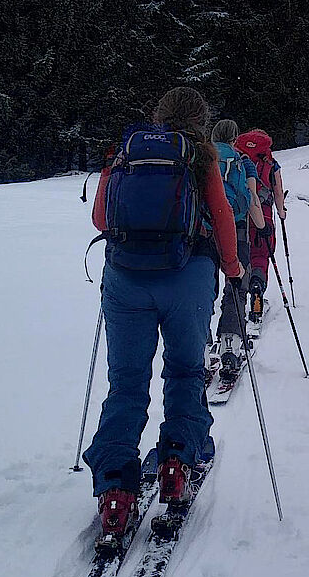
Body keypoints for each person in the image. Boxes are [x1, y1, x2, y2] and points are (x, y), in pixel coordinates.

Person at [84, 87, 243, 540]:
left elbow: (100, 219)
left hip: (125, 279)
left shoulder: (127, 151)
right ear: (201, 117)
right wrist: (231, 269)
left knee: (127, 382)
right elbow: (223, 216)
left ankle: (116, 489)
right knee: (186, 371)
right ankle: (177, 463)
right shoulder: (200, 156)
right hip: (187, 278)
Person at [210, 119, 265, 376]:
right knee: (236, 282)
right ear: (235, 139)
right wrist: (263, 227)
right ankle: (230, 346)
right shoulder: (243, 162)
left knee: (203, 288)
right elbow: (252, 198)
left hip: (203, 228)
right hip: (236, 227)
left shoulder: (201, 158)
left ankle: (199, 348)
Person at [236, 128, 286, 324]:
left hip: (239, 215)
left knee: (241, 254)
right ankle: (257, 285)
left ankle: (238, 297)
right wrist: (281, 212)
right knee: (261, 255)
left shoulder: (237, 158)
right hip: (263, 215)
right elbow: (278, 191)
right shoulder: (271, 164)